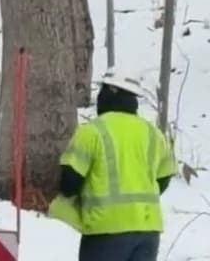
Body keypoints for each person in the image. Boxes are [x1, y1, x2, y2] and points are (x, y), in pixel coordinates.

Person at [49, 69, 176, 261]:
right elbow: (164, 179)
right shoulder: (154, 134)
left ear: (110, 93)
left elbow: (69, 183)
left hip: (105, 232)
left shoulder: (91, 132)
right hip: (148, 230)